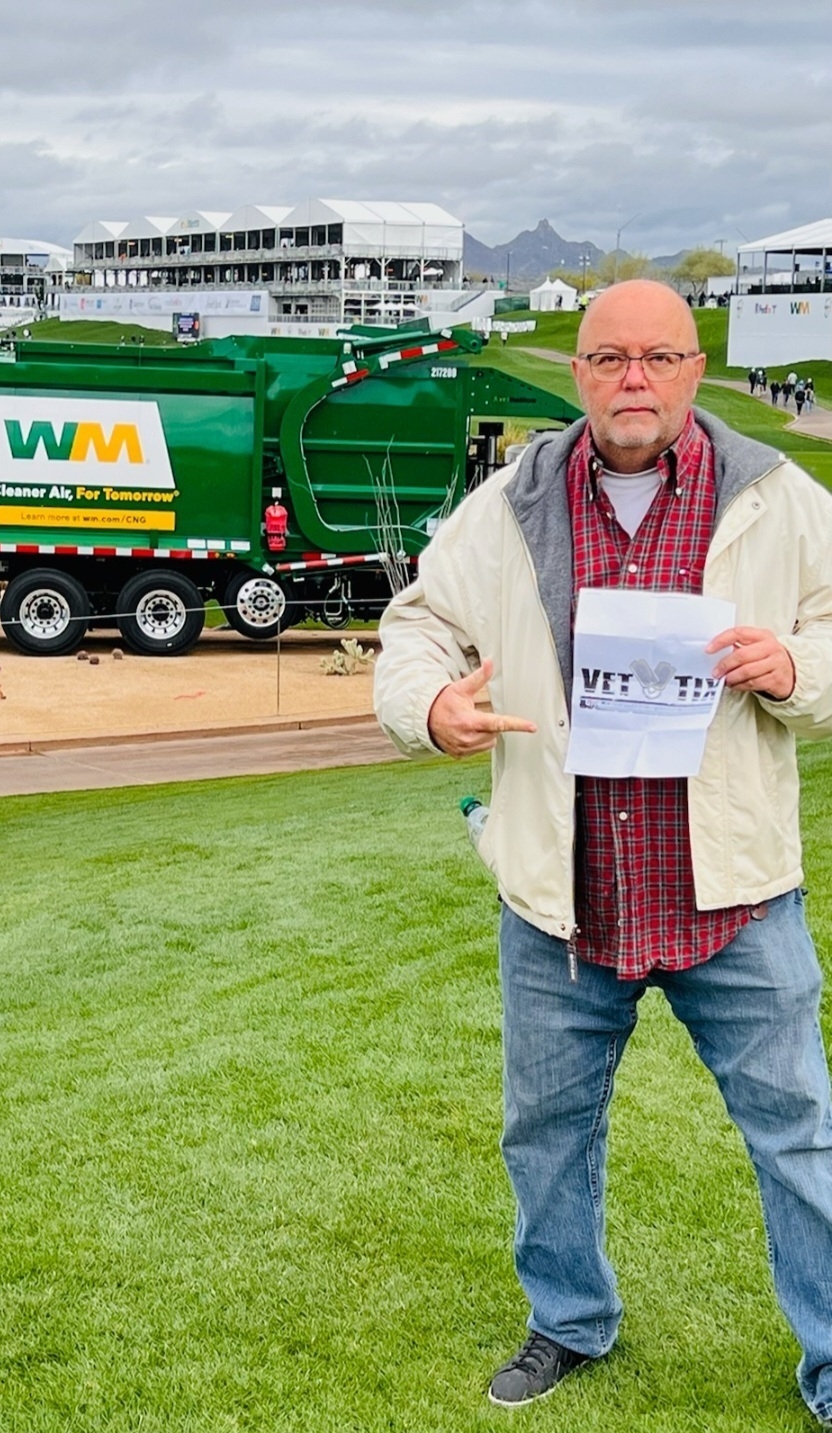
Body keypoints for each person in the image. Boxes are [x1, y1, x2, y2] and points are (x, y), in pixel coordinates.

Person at [374, 279, 832, 1424]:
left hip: (733, 898)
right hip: (563, 906)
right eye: (610, 357)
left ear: (693, 368)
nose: (635, 377)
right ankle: (570, 1318)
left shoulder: (778, 499)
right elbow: (419, 625)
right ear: (579, 372)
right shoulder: (508, 503)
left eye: (660, 356)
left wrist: (795, 667)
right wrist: (431, 705)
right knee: (545, 1133)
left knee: (801, 1140)